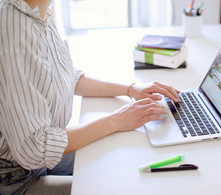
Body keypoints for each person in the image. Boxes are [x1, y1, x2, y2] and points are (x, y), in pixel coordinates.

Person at [0, 0, 180, 194]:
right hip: (17, 178)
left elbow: (68, 77)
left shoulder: (40, 10)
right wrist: (115, 121)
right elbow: (34, 148)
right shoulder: (15, 28)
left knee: (126, 159)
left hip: (39, 159)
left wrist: (130, 89)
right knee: (121, 185)